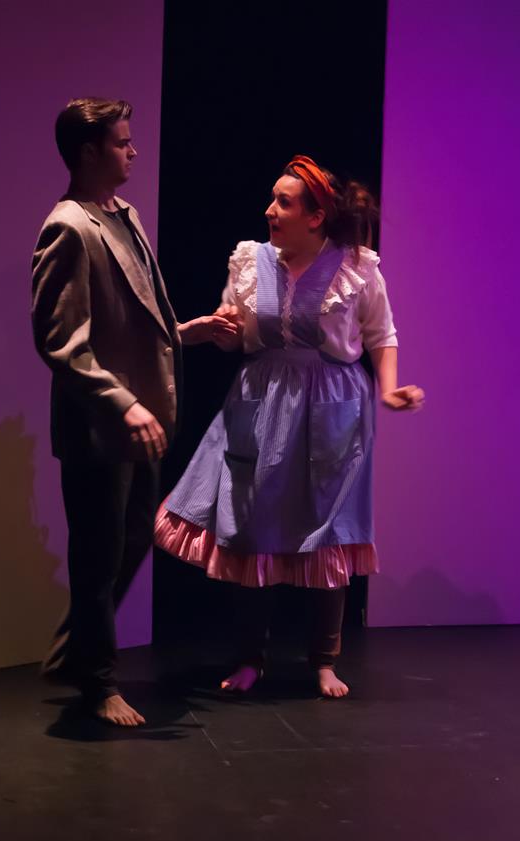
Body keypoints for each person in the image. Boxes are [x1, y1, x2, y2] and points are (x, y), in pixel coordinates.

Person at [154, 155, 424, 698]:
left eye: (284, 202)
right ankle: (251, 655)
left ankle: (323, 658)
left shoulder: (356, 268)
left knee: (328, 532)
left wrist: (391, 386)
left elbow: (381, 335)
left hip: (333, 406)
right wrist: (216, 332)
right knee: (250, 528)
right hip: (262, 401)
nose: (270, 210)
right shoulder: (250, 263)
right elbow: (235, 331)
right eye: (272, 199)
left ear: (316, 217)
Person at [32, 97, 236, 726]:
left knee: (127, 545)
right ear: (89, 152)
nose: (133, 151)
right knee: (97, 556)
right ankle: (97, 683)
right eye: (121, 143)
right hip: (101, 427)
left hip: (140, 419)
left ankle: (77, 651)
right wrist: (121, 404)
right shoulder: (69, 226)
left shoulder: (123, 216)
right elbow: (62, 342)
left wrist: (190, 332)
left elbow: (135, 323)